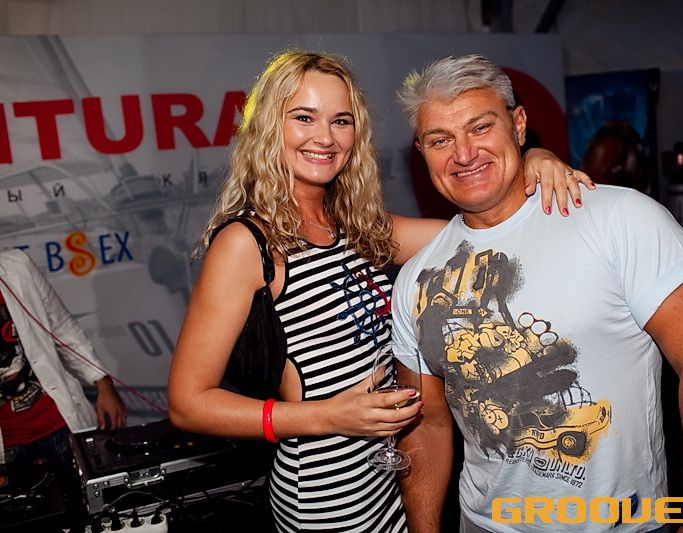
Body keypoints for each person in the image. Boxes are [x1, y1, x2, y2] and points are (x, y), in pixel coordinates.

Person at [167, 50, 592, 532]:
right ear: (269, 126)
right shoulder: (248, 244)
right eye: (304, 117)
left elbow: (474, 233)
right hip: (326, 501)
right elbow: (188, 402)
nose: (325, 137)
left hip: (390, 482)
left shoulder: (354, 228)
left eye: (341, 120)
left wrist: (531, 158)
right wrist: (327, 417)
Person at [391, 55, 683, 533]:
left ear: (519, 125)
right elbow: (428, 425)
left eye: (481, 127)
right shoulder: (417, 278)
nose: (464, 153)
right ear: (422, 151)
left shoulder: (620, 218)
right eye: (440, 139)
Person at [0, 248, 127, 522]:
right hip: (7, 453)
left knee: (93, 517)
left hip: (61, 428)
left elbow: (62, 327)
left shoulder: (16, 266)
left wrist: (103, 383)